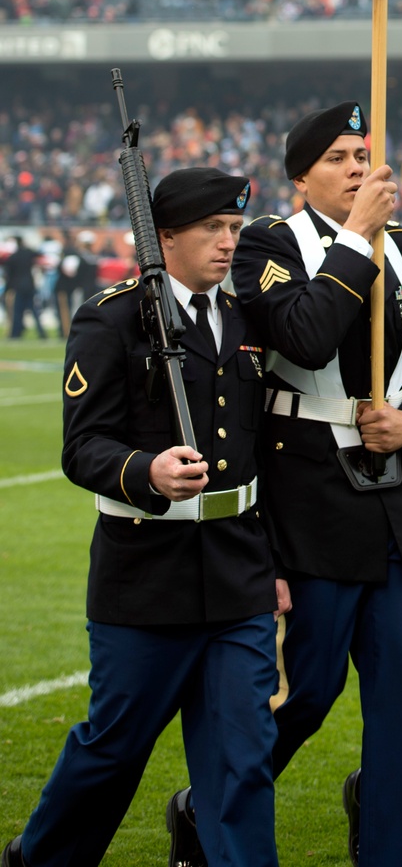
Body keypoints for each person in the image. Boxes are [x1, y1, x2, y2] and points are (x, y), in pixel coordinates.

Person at [1, 169, 282, 867]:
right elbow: (83, 445)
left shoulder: (247, 317)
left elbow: (260, 454)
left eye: (234, 229)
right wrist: (146, 471)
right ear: (164, 239)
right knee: (114, 749)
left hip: (237, 569)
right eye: (211, 230)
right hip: (144, 573)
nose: (227, 244)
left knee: (242, 759)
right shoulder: (112, 317)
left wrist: (275, 563)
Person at [229, 102, 402, 867]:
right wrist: (356, 236)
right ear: (300, 177)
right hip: (312, 495)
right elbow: (303, 333)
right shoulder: (268, 243)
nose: (358, 168)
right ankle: (214, 808)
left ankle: (393, 854)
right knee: (308, 694)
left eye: (363, 155)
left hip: (398, 496)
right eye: (338, 159)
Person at [3, 235, 45, 340]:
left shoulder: (12, 257)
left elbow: (9, 275)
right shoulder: (28, 253)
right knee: (34, 311)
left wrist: (7, 289)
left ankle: (15, 333)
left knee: (17, 312)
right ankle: (41, 333)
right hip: (30, 286)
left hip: (17, 287)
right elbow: (39, 254)